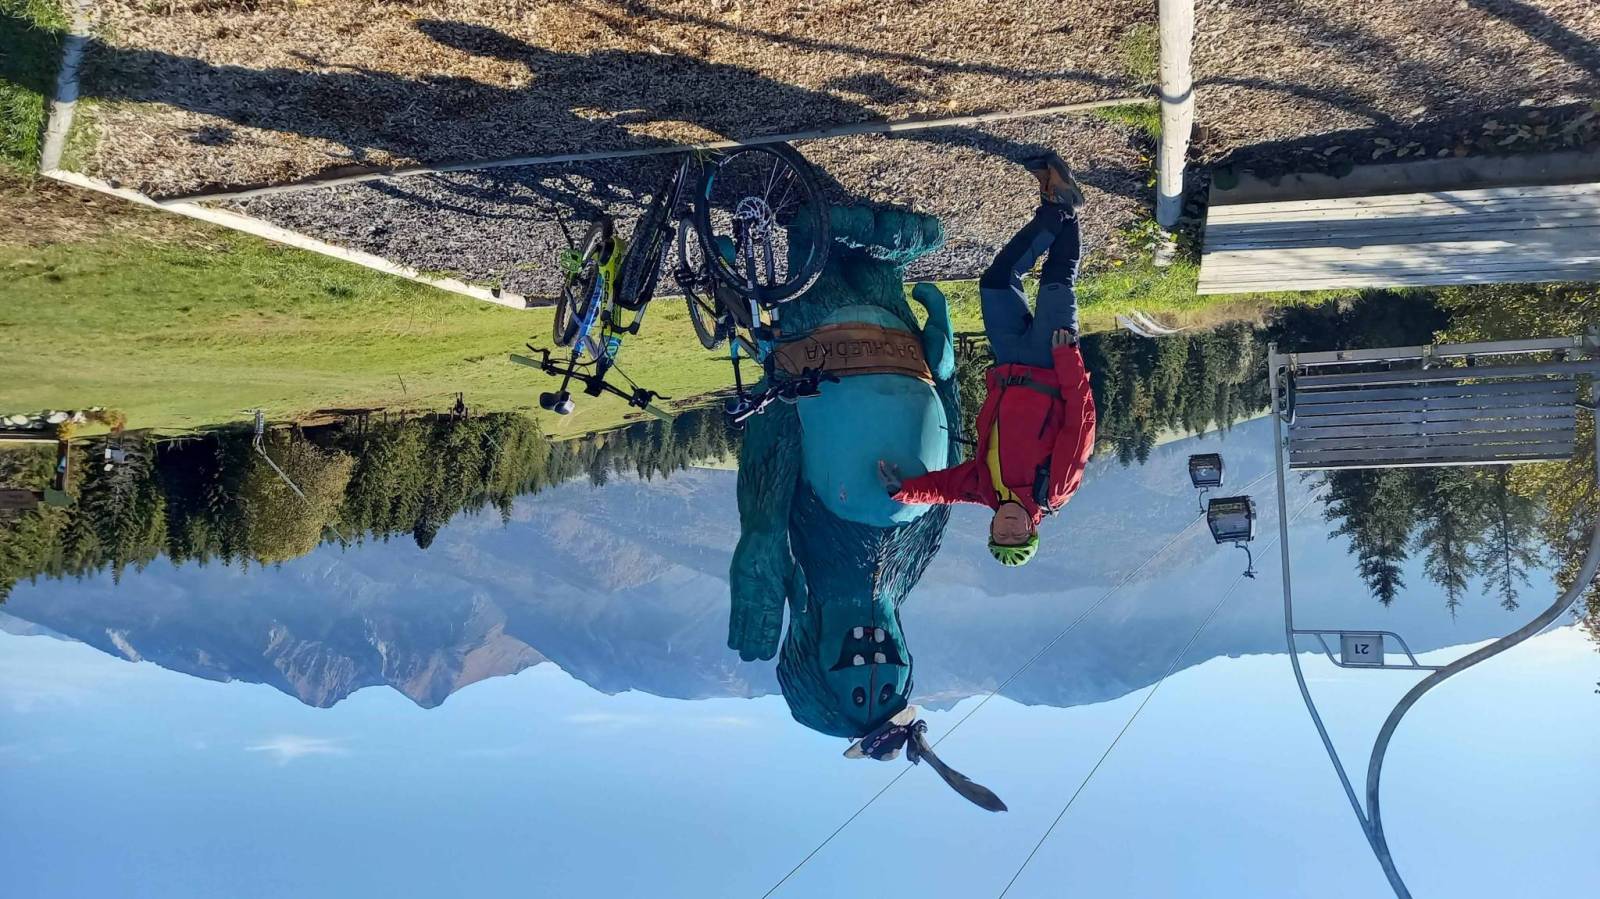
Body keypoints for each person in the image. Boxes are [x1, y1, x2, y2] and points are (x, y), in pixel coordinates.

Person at [878, 152, 1097, 566]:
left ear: (992, 529)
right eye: (1018, 536)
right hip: (1052, 361)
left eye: (1001, 536)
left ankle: (1058, 205)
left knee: (996, 282)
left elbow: (945, 490)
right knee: (1057, 280)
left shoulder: (985, 490)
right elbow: (1081, 423)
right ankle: (1058, 204)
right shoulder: (1054, 491)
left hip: (1009, 362)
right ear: (1032, 530)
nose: (1008, 529)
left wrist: (904, 491)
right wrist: (1068, 359)